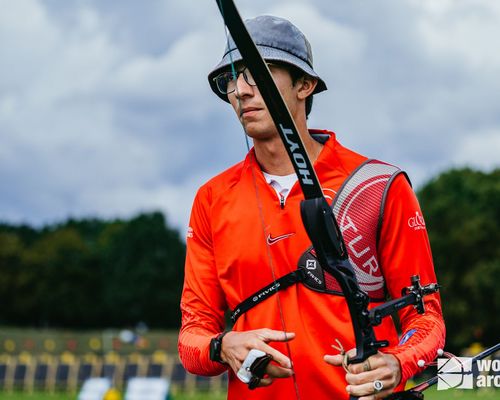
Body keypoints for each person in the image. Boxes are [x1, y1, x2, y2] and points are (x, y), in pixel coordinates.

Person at [178, 15, 445, 400]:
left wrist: (398, 362)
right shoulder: (211, 198)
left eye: (257, 74)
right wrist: (224, 346)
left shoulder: (378, 185)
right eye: (231, 79)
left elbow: (426, 318)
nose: (240, 90)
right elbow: (192, 338)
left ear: (304, 84)